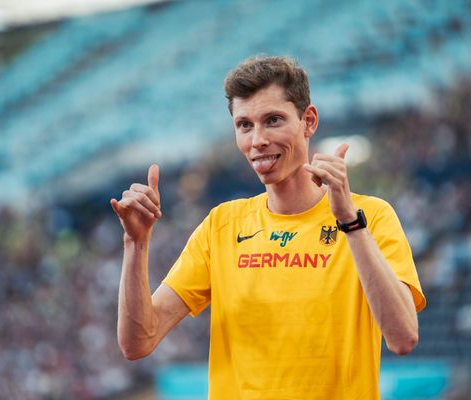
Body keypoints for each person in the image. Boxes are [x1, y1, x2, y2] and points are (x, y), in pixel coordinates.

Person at [110, 55, 426, 399]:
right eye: (244, 125)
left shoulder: (371, 217)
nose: (257, 139)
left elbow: (403, 337)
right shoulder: (221, 226)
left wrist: (350, 223)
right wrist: (135, 244)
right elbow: (138, 342)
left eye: (273, 120)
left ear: (309, 121)